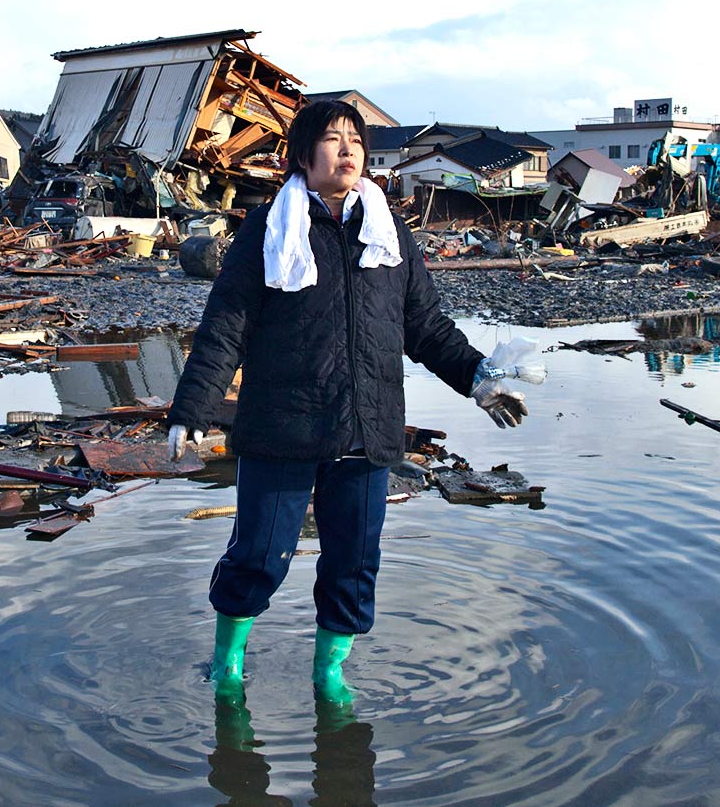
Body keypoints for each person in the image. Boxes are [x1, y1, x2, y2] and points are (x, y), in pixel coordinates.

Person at [166, 100, 530, 703]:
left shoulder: (389, 234)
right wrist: (191, 409)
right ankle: (228, 662)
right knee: (260, 553)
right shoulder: (267, 229)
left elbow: (426, 328)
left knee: (353, 561)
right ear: (302, 156)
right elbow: (225, 327)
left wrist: (479, 380)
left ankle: (328, 672)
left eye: (355, 139)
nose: (348, 149)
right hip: (282, 425)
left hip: (367, 427)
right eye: (332, 139)